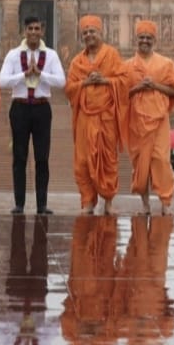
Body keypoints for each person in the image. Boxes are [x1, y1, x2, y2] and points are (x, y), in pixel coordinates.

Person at [0, 15, 66, 215]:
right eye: (30, 29)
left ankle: (41, 204)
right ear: (24, 31)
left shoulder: (51, 55)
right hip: (20, 108)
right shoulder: (13, 55)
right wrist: (24, 74)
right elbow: (2, 81)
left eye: (37, 28)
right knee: (19, 157)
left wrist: (40, 74)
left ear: (42, 31)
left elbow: (61, 82)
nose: (34, 32)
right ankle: (19, 203)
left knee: (42, 157)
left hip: (42, 108)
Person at [65, 15, 128, 216]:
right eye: (85, 33)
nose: (89, 35)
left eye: (92, 31)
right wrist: (84, 83)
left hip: (106, 116)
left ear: (101, 33)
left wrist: (104, 80)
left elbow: (124, 81)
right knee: (83, 161)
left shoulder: (112, 55)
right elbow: (69, 88)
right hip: (85, 117)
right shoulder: (77, 62)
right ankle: (88, 201)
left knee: (107, 158)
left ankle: (108, 200)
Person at [124, 19, 174, 216]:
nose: (145, 41)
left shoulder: (166, 64)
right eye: (141, 37)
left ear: (154, 40)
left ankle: (166, 201)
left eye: (148, 38)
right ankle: (145, 204)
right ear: (136, 39)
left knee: (160, 160)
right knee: (140, 164)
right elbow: (120, 94)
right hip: (136, 121)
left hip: (159, 120)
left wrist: (155, 86)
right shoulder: (127, 67)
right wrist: (139, 87)